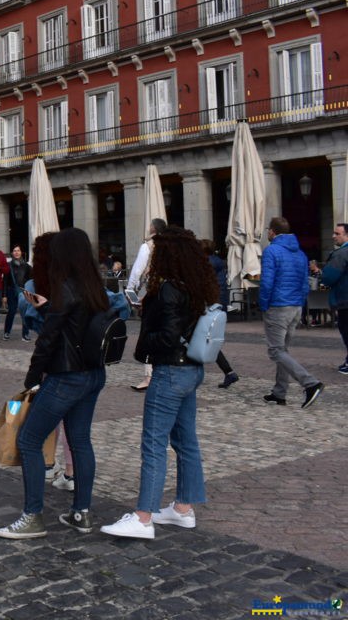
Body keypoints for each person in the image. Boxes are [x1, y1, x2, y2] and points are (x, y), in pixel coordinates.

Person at [101, 227, 219, 539]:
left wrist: (144, 343)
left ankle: (143, 517)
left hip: (170, 370)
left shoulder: (167, 288)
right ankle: (183, 508)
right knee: (186, 441)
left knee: (154, 443)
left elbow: (166, 335)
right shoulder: (195, 285)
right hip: (192, 367)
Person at [0, 228, 109, 540]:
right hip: (93, 375)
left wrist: (32, 379)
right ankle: (81, 512)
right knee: (80, 440)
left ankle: (32, 516)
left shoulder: (65, 289)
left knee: (30, 440)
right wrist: (49, 309)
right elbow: (77, 327)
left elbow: (48, 340)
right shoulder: (95, 288)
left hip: (66, 377)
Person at [260, 217, 323, 408]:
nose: (267, 233)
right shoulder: (300, 254)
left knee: (276, 350)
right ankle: (279, 392)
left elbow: (267, 282)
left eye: (268, 230)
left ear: (273, 231)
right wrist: (300, 303)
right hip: (295, 306)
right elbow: (305, 283)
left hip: (278, 306)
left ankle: (310, 383)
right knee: (283, 350)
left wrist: (263, 304)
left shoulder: (271, 251)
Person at [127, 219, 167, 392]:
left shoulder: (148, 246)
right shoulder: (169, 245)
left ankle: (149, 376)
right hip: (168, 292)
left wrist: (131, 289)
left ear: (153, 228)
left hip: (151, 292)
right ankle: (163, 371)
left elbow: (138, 269)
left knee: (148, 331)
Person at [199, 240, 241, 389]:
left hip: (210, 305)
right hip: (219, 305)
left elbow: (201, 285)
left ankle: (227, 372)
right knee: (208, 340)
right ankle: (229, 372)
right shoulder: (218, 264)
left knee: (203, 339)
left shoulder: (206, 264)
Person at [320, 223, 348, 374]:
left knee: (346, 330)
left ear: (346, 235)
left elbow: (329, 277)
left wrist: (321, 275)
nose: (333, 236)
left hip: (345, 299)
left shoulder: (341, 254)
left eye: (337, 233)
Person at [4, 244, 31, 341]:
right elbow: (5, 281)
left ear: (21, 252)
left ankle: (25, 334)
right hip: (11, 291)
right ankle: (7, 332)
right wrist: (4, 295)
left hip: (23, 292)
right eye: (14, 251)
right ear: (12, 253)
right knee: (11, 312)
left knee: (24, 313)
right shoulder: (8, 266)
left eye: (18, 251)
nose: (16, 252)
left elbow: (30, 281)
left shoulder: (27, 266)